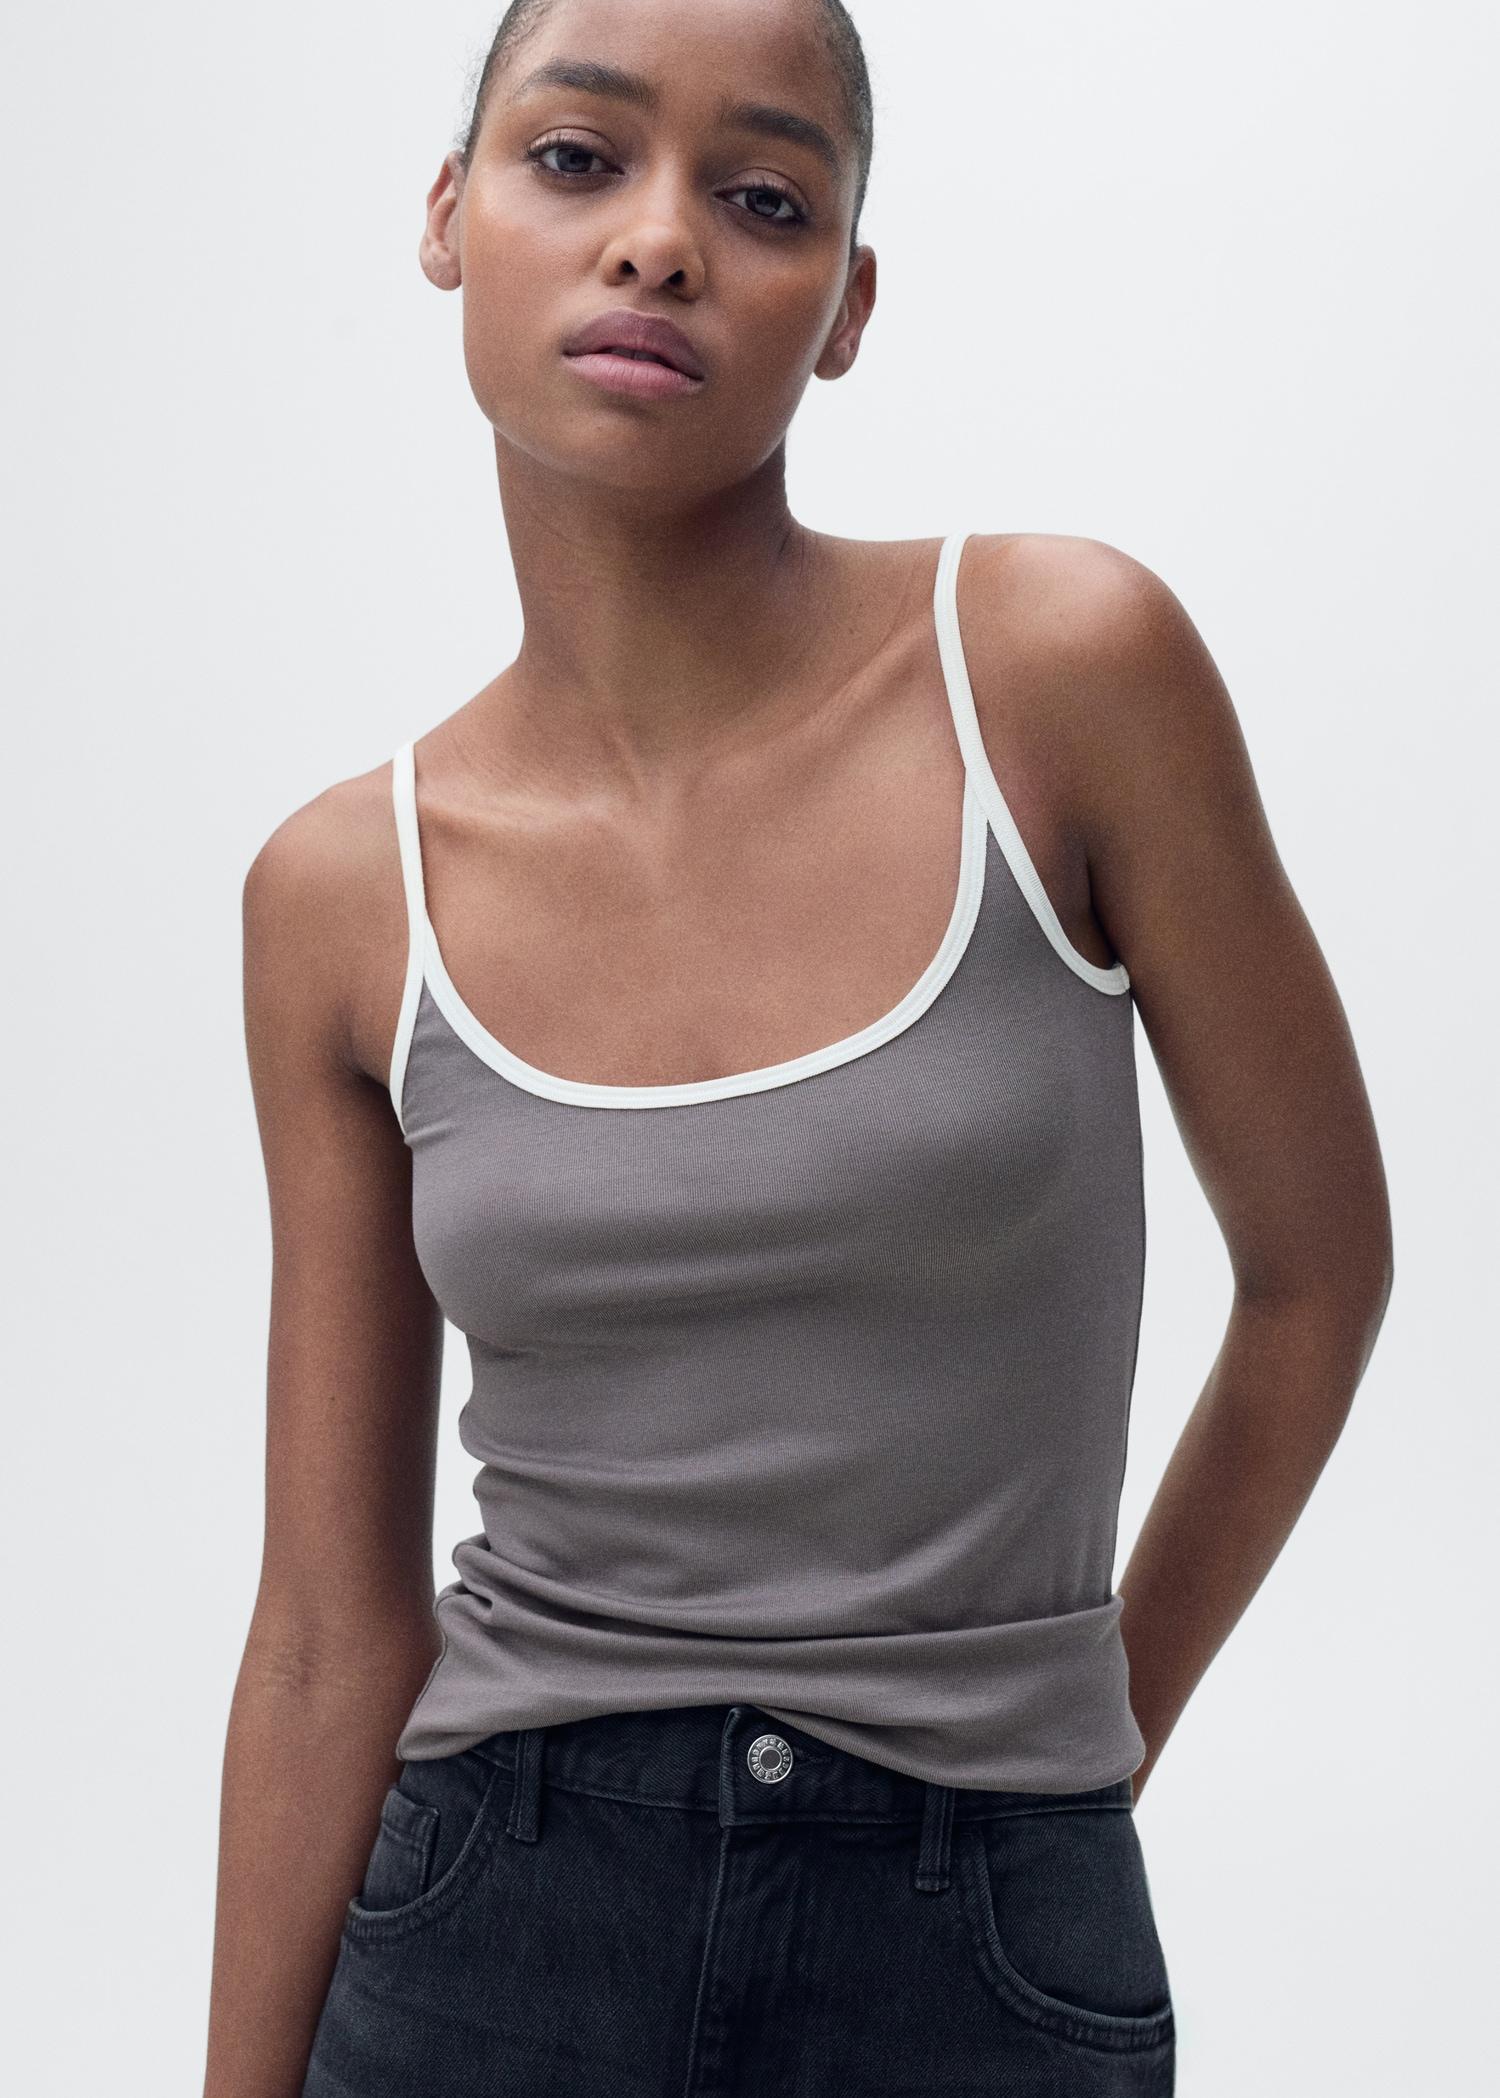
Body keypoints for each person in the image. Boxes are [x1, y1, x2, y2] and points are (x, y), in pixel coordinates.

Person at [202, 1, 1394, 2093]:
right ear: (448, 215)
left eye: (762, 199)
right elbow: (324, 1627)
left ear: (845, 307)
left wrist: (1071, 1760)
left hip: (982, 1939)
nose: (659, 240)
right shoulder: (344, 891)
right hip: (489, 1929)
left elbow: (1318, 1276)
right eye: (577, 158)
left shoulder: (1058, 674)